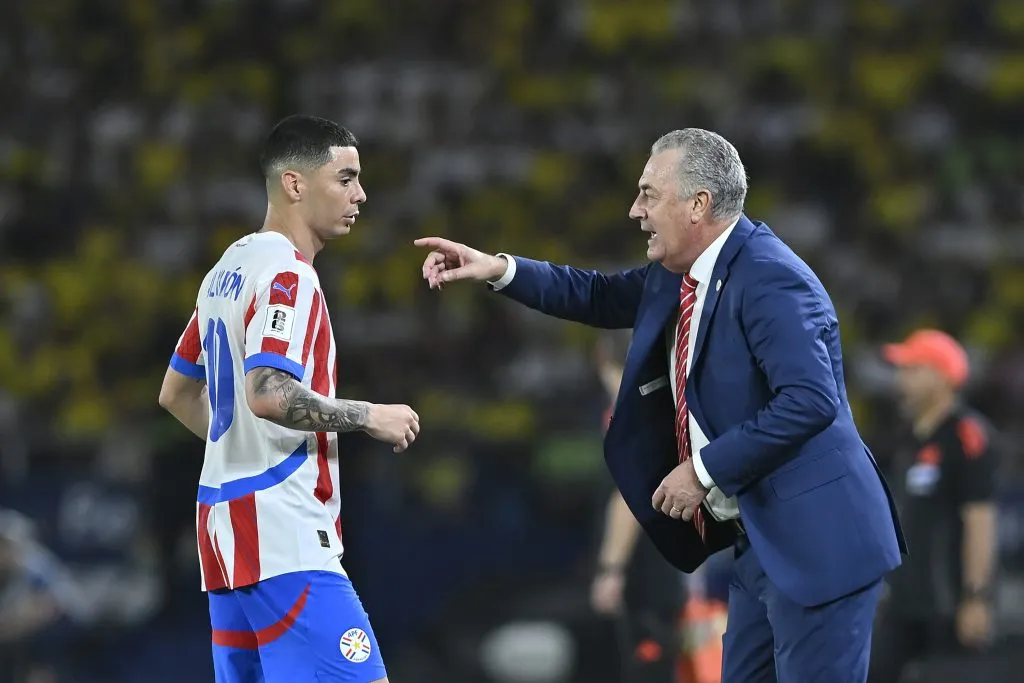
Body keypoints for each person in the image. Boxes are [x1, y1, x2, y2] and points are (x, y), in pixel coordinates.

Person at [415, 128, 906, 682]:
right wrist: (498, 268)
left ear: (698, 205)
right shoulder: (685, 275)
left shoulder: (771, 279)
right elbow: (597, 295)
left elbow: (810, 401)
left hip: (821, 543)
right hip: (764, 541)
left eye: (649, 194)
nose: (634, 210)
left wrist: (703, 470)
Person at [158, 115, 420, 683]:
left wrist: (238, 447)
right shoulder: (288, 276)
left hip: (224, 535)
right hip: (283, 536)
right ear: (295, 184)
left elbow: (176, 393)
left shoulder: (226, 269)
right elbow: (268, 393)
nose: (361, 194)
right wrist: (368, 414)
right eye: (345, 178)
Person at [869, 329, 998, 683]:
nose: (901, 380)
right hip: (905, 599)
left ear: (942, 376)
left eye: (912, 369)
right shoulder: (908, 439)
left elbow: (980, 520)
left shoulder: (966, 435)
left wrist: (976, 597)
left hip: (948, 603)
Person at [590, 332, 685, 683]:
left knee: (649, 667)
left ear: (600, 357)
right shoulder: (660, 407)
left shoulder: (628, 415)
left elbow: (627, 498)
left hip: (646, 573)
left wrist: (610, 570)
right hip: (665, 563)